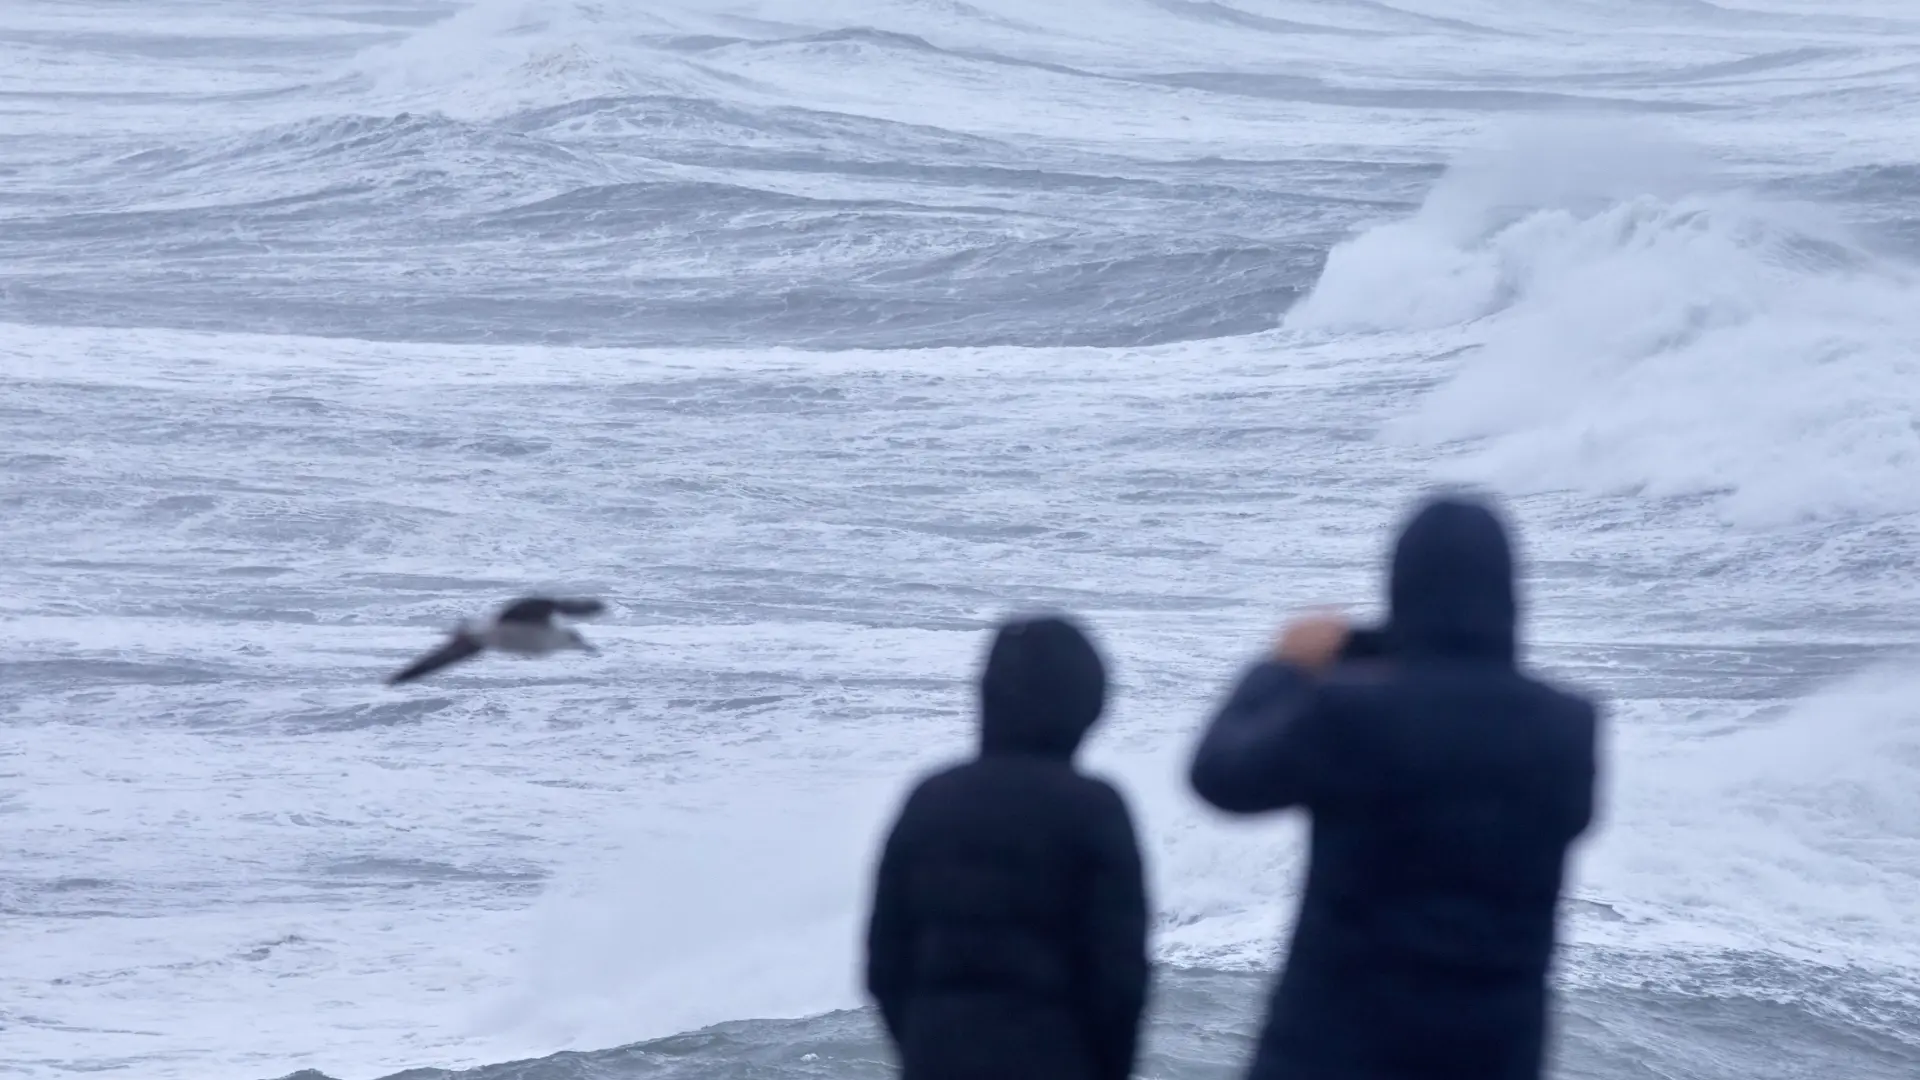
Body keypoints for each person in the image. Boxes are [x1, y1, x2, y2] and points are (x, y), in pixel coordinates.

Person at [1188, 494, 1600, 1080]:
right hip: (1492, 1057)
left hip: (1335, 1050)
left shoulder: (1353, 712)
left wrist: (1280, 667)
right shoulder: (1567, 727)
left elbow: (1222, 775)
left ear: (1401, 589)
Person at [865, 613, 1150, 1080]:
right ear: (1088, 706)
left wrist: (924, 1049)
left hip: (938, 1058)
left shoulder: (930, 800)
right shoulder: (1094, 810)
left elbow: (885, 961)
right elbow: (1119, 977)